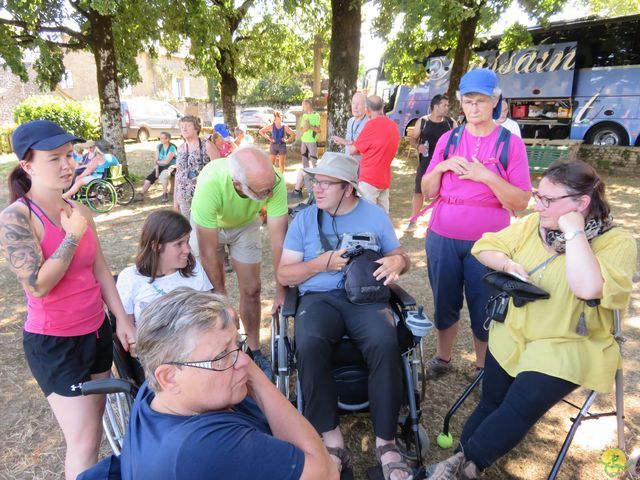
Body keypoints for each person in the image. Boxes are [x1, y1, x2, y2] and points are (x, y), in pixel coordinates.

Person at [426, 160, 637, 479]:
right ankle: (459, 464)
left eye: (548, 200)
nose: (538, 204)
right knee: (490, 403)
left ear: (580, 203)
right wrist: (508, 264)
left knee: (517, 406)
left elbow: (588, 288)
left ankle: (457, 468)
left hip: (568, 343)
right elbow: (485, 246)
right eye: (540, 195)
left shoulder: (615, 241)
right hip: (515, 332)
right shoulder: (533, 224)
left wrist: (575, 232)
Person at [0, 120, 136, 480]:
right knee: (84, 439)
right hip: (55, 343)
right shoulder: (16, 218)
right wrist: (71, 236)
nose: (67, 164)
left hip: (96, 333)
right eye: (54, 158)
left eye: (70, 155)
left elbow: (102, 270)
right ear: (27, 166)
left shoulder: (77, 209)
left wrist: (121, 319)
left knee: (93, 425)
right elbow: (38, 286)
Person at [278, 152, 413, 480]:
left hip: (364, 297)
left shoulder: (375, 216)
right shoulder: (305, 220)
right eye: (315, 181)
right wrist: (320, 264)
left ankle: (386, 442)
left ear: (348, 188)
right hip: (319, 298)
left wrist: (398, 263)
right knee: (308, 342)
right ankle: (332, 439)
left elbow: (398, 256)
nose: (317, 189)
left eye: (326, 183)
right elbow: (284, 275)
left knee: (384, 340)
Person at [117, 288, 338, 480]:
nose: (244, 360)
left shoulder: (154, 393)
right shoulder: (205, 447)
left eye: (237, 344)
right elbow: (327, 474)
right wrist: (258, 379)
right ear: (169, 377)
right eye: (221, 354)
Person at [420, 68, 532, 379]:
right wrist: (441, 166)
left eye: (481, 100)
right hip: (442, 234)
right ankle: (443, 358)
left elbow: (521, 201)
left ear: (495, 101)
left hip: (490, 242)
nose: (474, 107)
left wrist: (487, 176)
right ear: (460, 103)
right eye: (468, 101)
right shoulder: (449, 138)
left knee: (485, 303)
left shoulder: (511, 144)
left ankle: (484, 366)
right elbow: (428, 192)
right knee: (444, 299)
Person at [191, 146, 288, 380]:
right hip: (210, 224)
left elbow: (279, 243)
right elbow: (207, 252)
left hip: (245, 224)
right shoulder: (211, 185)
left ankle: (254, 350)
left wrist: (281, 290)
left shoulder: (273, 181)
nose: (271, 194)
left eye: (270, 186)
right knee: (212, 294)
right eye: (263, 192)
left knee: (252, 288)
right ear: (238, 185)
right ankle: (223, 350)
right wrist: (223, 300)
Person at [116, 210, 212, 325]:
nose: (187, 250)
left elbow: (210, 314)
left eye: (187, 241)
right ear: (156, 246)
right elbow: (127, 328)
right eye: (179, 244)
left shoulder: (194, 268)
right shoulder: (129, 278)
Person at [406, 94, 456, 231]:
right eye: (444, 105)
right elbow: (413, 139)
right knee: (418, 193)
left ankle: (441, 223)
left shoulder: (450, 123)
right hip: (426, 164)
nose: (447, 108)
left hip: (445, 166)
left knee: (444, 194)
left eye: (447, 105)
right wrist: (418, 147)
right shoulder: (423, 121)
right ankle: (413, 221)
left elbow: (458, 140)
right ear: (436, 106)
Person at [349, 95, 401, 213]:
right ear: (382, 107)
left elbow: (353, 150)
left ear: (367, 110)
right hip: (384, 177)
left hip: (369, 178)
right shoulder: (393, 126)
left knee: (366, 215)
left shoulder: (371, 125)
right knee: (383, 216)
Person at [174, 115, 210, 218]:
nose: (184, 129)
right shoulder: (180, 148)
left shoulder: (207, 145)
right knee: (188, 229)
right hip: (183, 197)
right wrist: (175, 200)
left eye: (188, 126)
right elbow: (178, 174)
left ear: (196, 128)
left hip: (203, 196)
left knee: (202, 228)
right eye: (181, 127)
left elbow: (218, 171)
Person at [289, 99, 321, 200]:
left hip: (312, 141)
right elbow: (302, 129)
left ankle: (316, 187)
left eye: (303, 105)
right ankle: (308, 189)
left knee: (314, 165)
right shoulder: (304, 116)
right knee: (305, 166)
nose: (302, 107)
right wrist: (305, 127)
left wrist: (310, 126)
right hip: (304, 141)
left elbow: (318, 130)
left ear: (308, 105)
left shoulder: (316, 115)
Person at [136, 132, 178, 202]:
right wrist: (156, 171)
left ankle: (165, 194)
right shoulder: (159, 146)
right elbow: (156, 160)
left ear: (167, 139)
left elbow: (167, 162)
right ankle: (141, 194)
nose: (160, 139)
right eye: (160, 137)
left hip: (171, 166)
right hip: (161, 166)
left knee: (164, 175)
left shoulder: (172, 148)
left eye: (162, 138)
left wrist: (158, 162)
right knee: (149, 178)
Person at [331, 91, 369, 161]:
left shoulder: (369, 123)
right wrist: (341, 141)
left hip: (362, 165)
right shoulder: (350, 121)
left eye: (359, 104)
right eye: (353, 103)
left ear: (365, 106)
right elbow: (349, 141)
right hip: (348, 163)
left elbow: (367, 148)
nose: (355, 107)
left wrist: (346, 142)